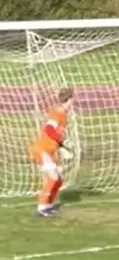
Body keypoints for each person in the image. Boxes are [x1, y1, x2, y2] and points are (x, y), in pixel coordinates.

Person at [30, 87, 74, 217]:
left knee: (58, 179)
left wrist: (61, 146)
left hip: (48, 150)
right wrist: (61, 140)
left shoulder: (62, 113)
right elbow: (49, 129)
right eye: (73, 98)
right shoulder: (59, 113)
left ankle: (48, 206)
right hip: (42, 149)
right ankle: (41, 208)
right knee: (53, 177)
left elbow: (52, 133)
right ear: (69, 99)